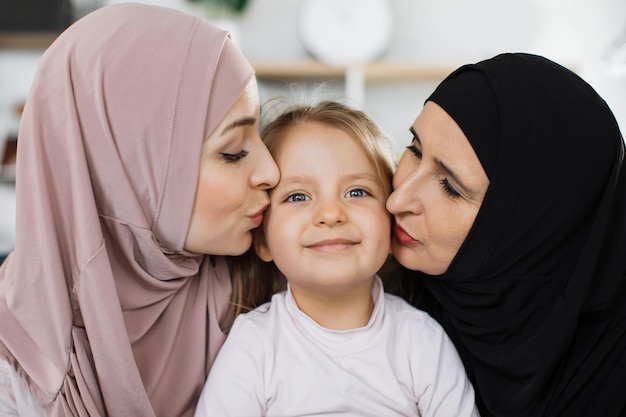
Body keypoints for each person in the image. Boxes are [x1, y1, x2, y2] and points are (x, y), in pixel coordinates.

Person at [0, 3, 279, 416]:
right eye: (233, 151)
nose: (271, 170)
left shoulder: (273, 291)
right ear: (126, 172)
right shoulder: (16, 370)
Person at [194, 100, 480, 417]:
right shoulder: (254, 345)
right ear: (263, 241)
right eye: (298, 196)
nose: (330, 214)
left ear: (391, 225)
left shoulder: (422, 341)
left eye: (357, 192)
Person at [386, 52, 626, 417]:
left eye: (450, 187)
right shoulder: (367, 291)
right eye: (415, 150)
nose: (398, 200)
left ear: (533, 232)